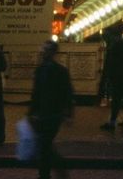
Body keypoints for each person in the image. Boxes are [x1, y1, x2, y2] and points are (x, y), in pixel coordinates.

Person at [29, 41, 74, 179]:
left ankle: (52, 171)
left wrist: (68, 112)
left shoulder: (47, 70)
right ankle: (47, 173)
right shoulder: (54, 70)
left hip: (52, 113)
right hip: (48, 113)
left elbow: (67, 92)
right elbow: (36, 93)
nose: (43, 52)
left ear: (52, 52)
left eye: (46, 50)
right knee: (45, 145)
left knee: (45, 144)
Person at [99, 30, 123, 131]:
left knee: (116, 100)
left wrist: (106, 77)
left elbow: (110, 63)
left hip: (117, 77)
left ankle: (112, 122)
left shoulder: (114, 46)